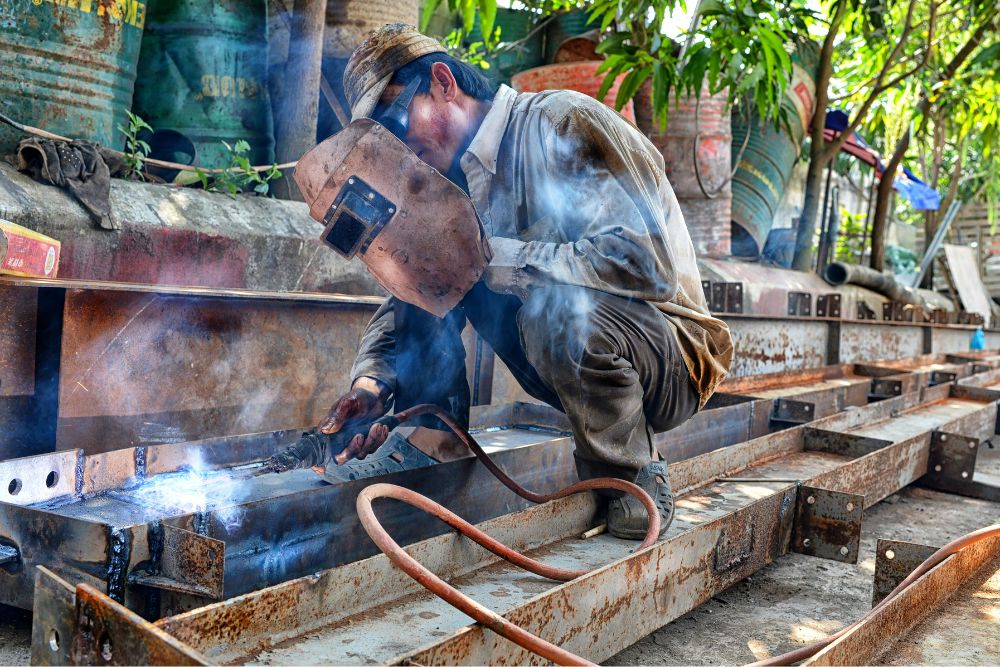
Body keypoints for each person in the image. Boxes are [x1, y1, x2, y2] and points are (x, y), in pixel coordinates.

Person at [317, 23, 733, 539]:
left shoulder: (562, 122)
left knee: (550, 310)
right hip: (574, 354)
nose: (399, 146)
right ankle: (433, 444)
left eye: (397, 121)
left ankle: (631, 476)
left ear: (444, 82)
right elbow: (413, 292)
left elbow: (647, 264)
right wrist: (373, 383)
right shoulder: (449, 185)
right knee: (425, 257)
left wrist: (495, 257)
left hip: (668, 352)